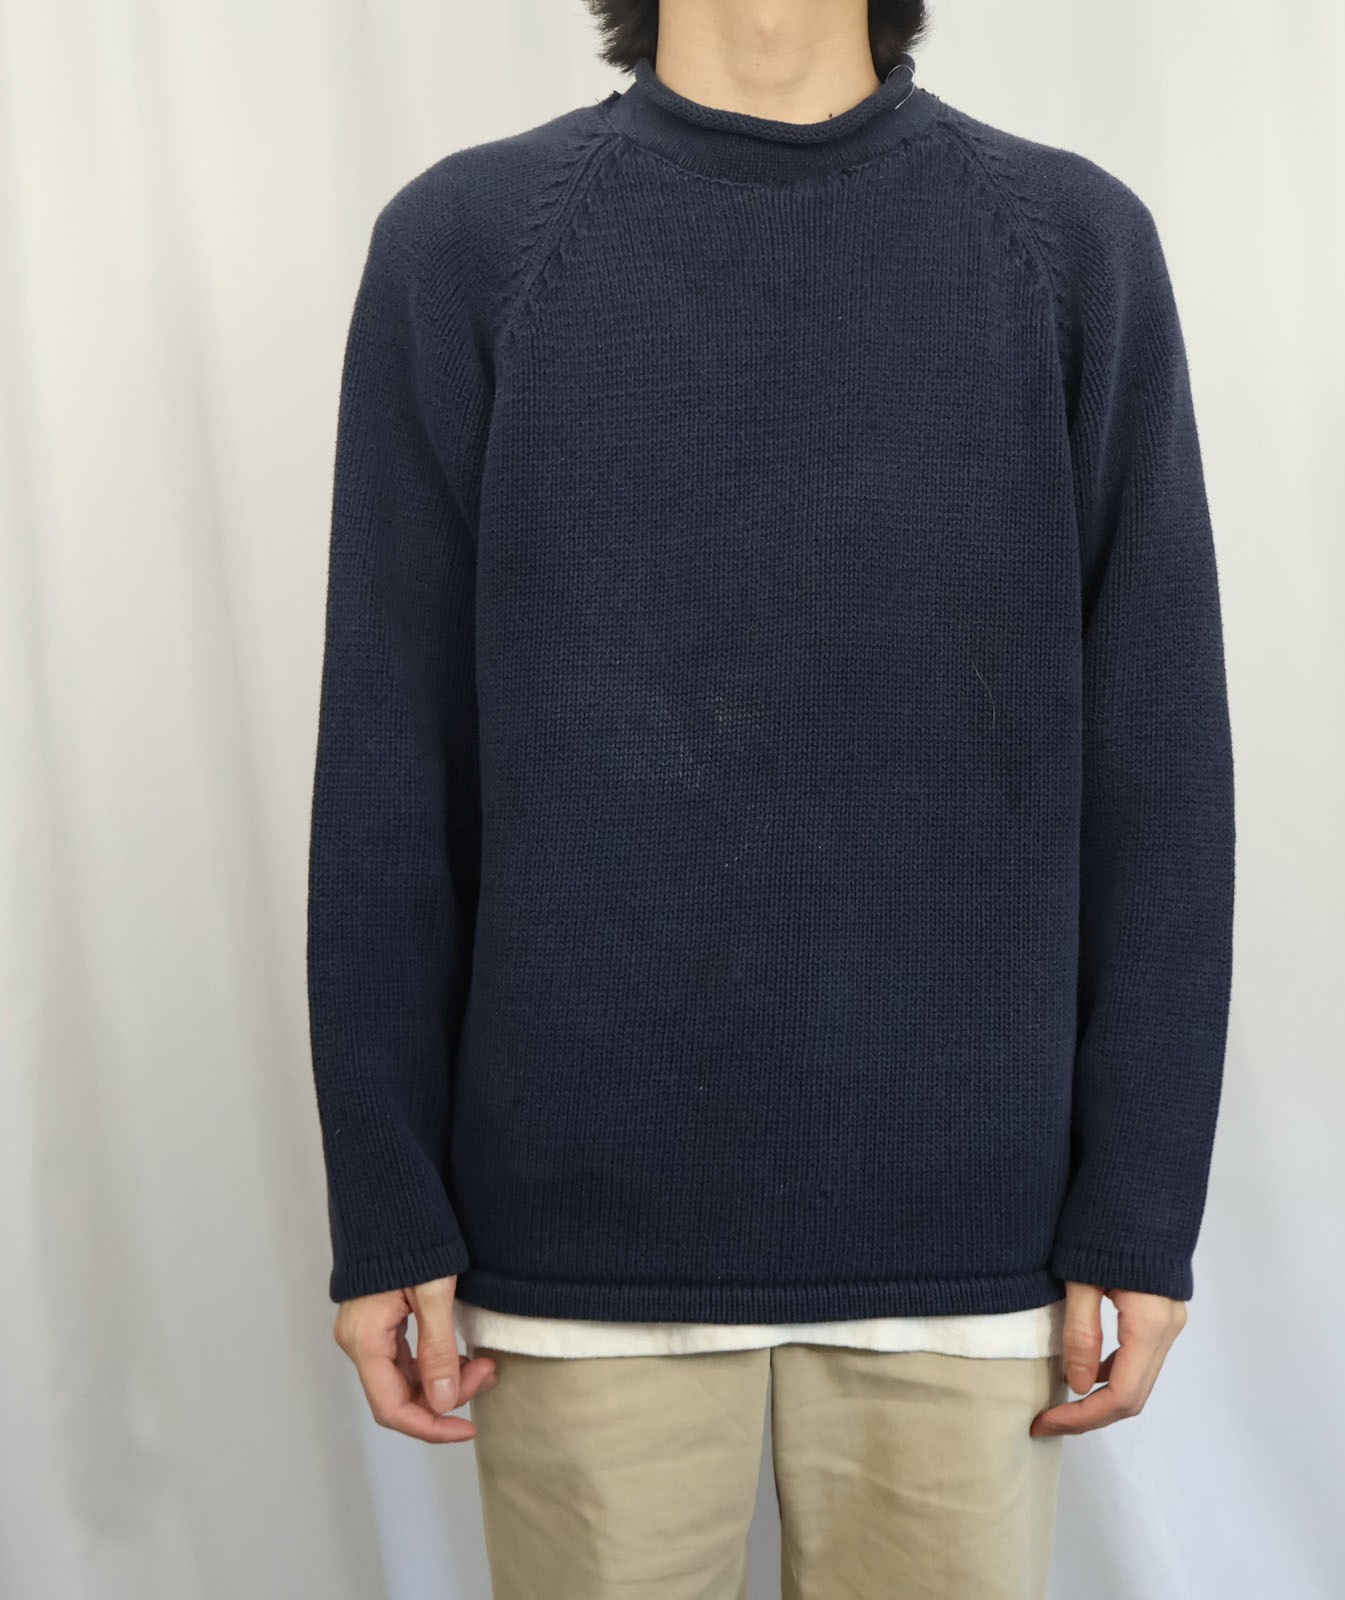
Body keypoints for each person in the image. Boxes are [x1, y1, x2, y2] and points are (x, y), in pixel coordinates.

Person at [305, 0, 1236, 1594]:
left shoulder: (1072, 248)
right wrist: (386, 1198)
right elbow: (393, 761)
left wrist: (1141, 1206)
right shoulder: (463, 246)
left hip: (971, 1243)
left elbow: (1159, 777)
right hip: (572, 1248)